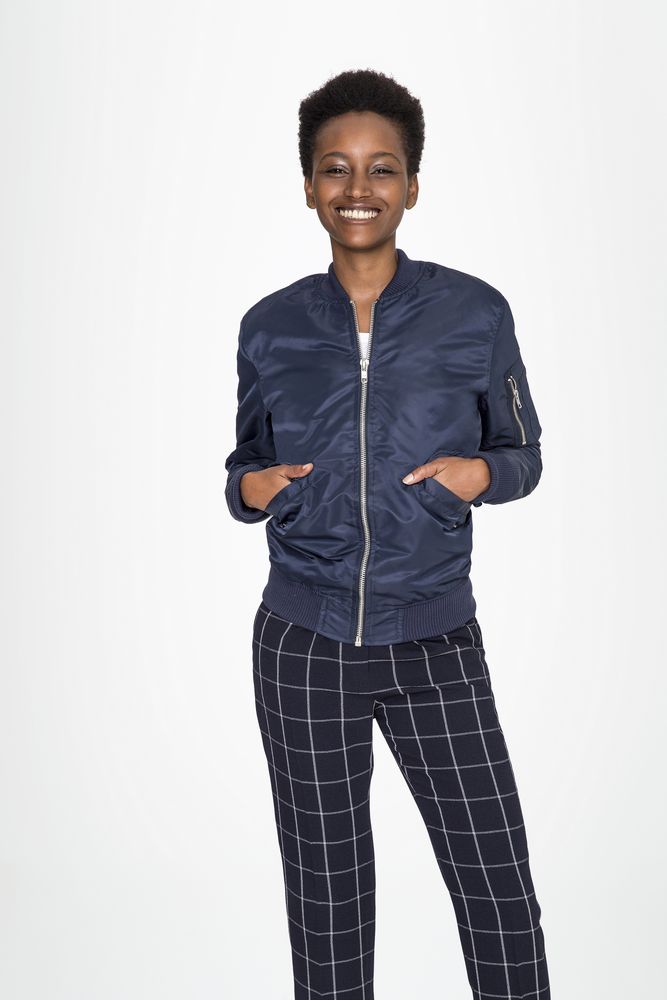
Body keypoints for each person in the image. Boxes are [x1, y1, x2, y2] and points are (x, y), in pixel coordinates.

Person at [224, 68, 551, 1000]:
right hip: (303, 643)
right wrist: (251, 490)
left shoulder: (473, 313)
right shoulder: (270, 326)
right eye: (336, 168)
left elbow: (522, 452)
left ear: (411, 186)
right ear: (308, 186)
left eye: (381, 168)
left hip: (434, 638)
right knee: (327, 903)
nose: (357, 187)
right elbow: (243, 465)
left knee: (496, 887)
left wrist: (481, 475)